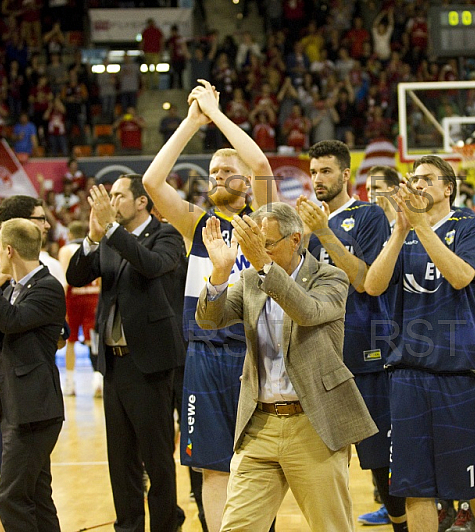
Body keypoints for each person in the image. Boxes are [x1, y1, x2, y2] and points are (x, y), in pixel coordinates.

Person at [142, 79, 277, 532]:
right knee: (211, 467)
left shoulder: (265, 220)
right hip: (202, 355)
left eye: (226, 170)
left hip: (254, 355)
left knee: (259, 462)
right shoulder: (197, 223)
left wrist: (217, 116)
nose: (216, 176)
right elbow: (152, 181)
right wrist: (190, 122)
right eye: (213, 171)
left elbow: (259, 162)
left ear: (246, 184)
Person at [196, 202, 378, 530]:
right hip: (259, 425)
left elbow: (306, 311)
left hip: (313, 424)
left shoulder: (331, 278)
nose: (256, 252)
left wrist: (264, 264)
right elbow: (210, 320)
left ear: (295, 240)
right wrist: (221, 272)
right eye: (253, 245)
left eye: (266, 244)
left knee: (331, 527)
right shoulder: (251, 279)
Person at [365, 156, 475, 532]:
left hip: (457, 370)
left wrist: (422, 227)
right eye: (414, 179)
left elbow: (461, 276)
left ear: (448, 188)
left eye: (427, 179)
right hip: (407, 372)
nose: (418, 185)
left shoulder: (471, 226)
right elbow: (373, 286)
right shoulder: (401, 231)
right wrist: (398, 232)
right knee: (415, 487)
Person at [65, 175, 186, 532]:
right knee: (120, 459)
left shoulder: (166, 235)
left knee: (157, 457)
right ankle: (128, 526)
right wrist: (91, 237)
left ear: (141, 203)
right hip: (113, 364)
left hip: (148, 363)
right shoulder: (107, 239)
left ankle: (165, 525)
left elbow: (149, 265)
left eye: (118, 195)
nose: (111, 201)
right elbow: (75, 276)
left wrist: (113, 230)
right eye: (110, 196)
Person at [299, 141, 406, 531]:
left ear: (346, 175)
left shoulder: (368, 216)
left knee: (381, 460)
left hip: (366, 351)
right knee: (323, 460)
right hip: (320, 354)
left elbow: (364, 280)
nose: (317, 179)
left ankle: (403, 524)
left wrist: (323, 233)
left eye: (325, 171)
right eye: (312, 172)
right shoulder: (308, 227)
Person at [0, 218, 66, 531]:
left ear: (8, 251)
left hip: (35, 411)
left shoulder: (48, 288)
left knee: (10, 498)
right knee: (36, 496)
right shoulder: (10, 288)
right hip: (15, 408)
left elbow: (10, 321)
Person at [58, 220, 100, 397]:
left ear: (69, 234)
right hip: (93, 295)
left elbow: (64, 278)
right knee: (93, 340)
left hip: (73, 296)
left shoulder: (66, 250)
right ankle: (98, 379)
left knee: (71, 340)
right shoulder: (96, 246)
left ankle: (69, 383)